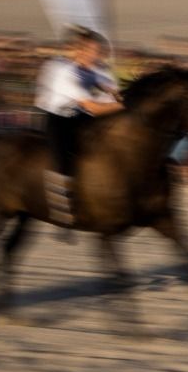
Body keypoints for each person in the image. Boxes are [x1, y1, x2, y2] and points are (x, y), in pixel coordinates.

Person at [34, 26, 122, 228]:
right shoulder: (66, 72)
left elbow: (112, 91)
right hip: (57, 118)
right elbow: (93, 107)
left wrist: (124, 98)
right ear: (80, 51)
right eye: (93, 51)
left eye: (99, 52)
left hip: (79, 115)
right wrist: (125, 105)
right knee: (63, 159)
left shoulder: (96, 70)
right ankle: (60, 205)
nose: (97, 55)